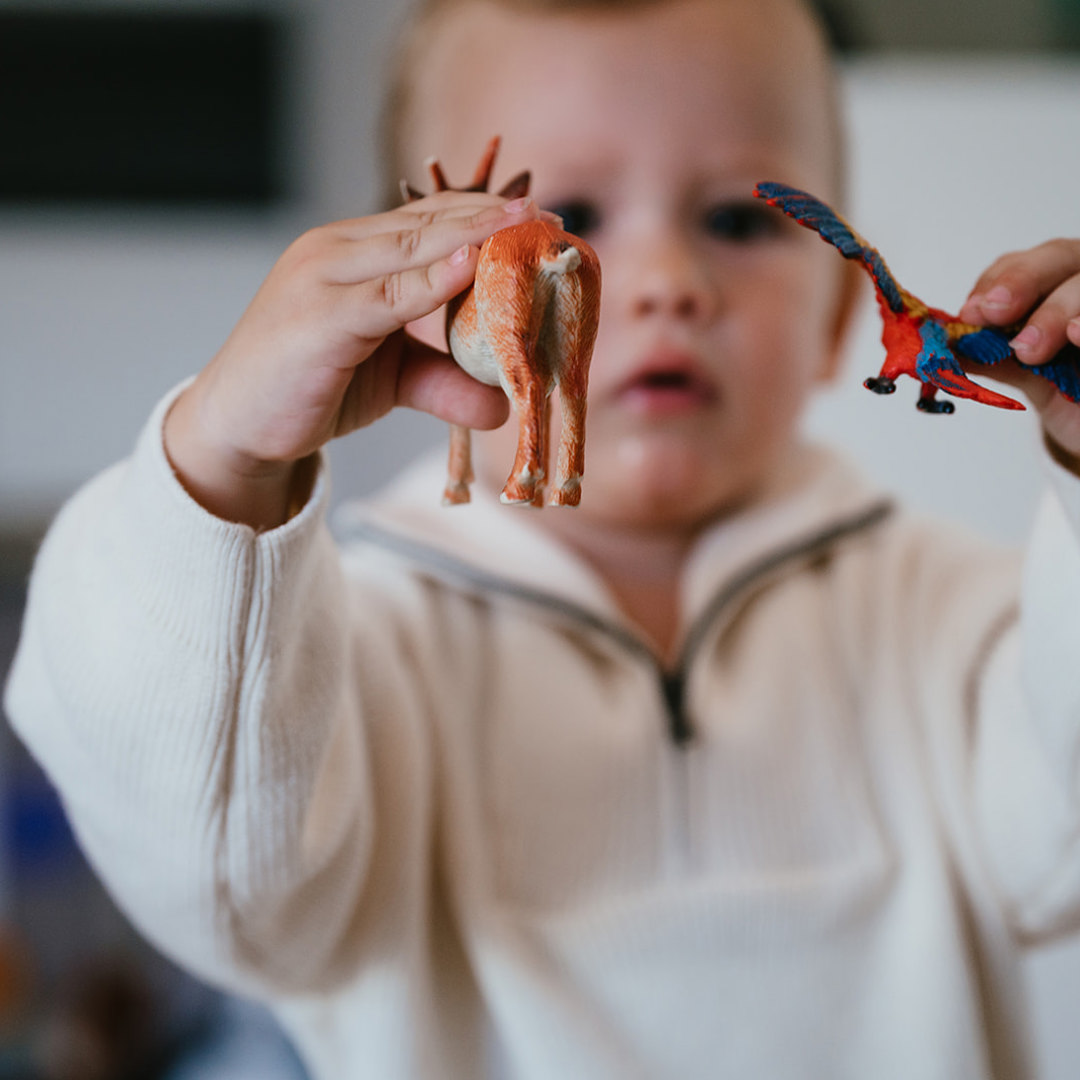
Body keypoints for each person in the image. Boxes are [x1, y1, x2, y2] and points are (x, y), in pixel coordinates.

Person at [6, 0, 1080, 1076]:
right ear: (422, 289)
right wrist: (220, 479)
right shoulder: (340, 643)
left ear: (840, 319)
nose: (662, 281)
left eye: (739, 221)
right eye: (568, 213)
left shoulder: (961, 617)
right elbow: (231, 896)